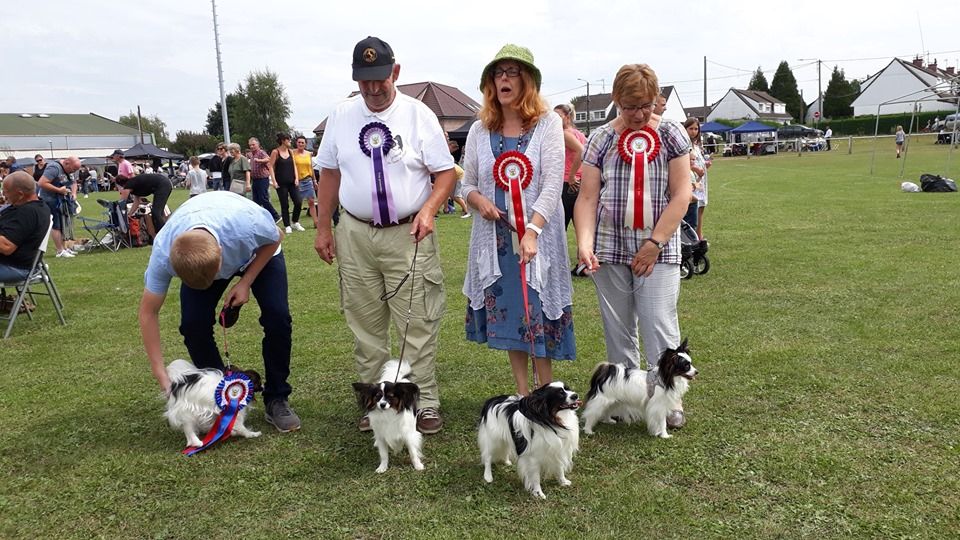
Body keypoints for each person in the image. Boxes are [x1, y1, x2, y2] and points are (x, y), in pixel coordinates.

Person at [314, 35, 456, 434]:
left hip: (408, 232)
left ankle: (423, 401)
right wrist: (324, 228)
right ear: (355, 78)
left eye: (381, 79)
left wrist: (429, 210)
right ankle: (374, 403)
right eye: (365, 82)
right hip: (356, 234)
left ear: (396, 72)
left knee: (417, 321)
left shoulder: (419, 114)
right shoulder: (341, 116)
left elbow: (444, 173)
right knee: (365, 325)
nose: (374, 89)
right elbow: (329, 173)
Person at [573, 64, 693, 428]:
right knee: (618, 328)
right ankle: (626, 403)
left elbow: (682, 192)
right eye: (629, 106)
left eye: (645, 105)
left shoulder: (672, 134)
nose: (638, 114)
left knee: (659, 323)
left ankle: (670, 404)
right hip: (610, 246)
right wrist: (584, 243)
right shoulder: (600, 139)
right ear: (616, 101)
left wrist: (655, 242)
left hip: (659, 247)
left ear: (657, 99)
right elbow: (587, 197)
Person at [461, 44, 576, 396]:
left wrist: (533, 230)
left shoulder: (548, 124)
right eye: (498, 73)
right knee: (511, 312)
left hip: (536, 238)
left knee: (538, 311)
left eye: (512, 72)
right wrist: (478, 200)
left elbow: (553, 183)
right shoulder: (480, 129)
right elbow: (467, 183)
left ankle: (547, 391)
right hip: (495, 241)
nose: (504, 79)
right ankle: (524, 395)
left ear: (527, 81)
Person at [138, 191, 300, 432]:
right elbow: (148, 313)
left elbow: (275, 237)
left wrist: (245, 282)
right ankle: (221, 393)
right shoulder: (163, 253)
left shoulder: (248, 225)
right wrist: (160, 372)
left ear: (221, 254)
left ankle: (277, 398)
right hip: (209, 247)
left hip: (258, 250)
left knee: (277, 318)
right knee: (193, 325)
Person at [0, 172, 52, 282]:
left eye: (6, 192)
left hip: (14, 267)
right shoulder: (40, 206)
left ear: (20, 194)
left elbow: (6, 247)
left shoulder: (27, 212)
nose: (4, 195)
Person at [37, 156, 81, 258]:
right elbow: (42, 183)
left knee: (64, 223)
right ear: (66, 163)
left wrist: (74, 193)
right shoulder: (54, 168)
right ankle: (60, 250)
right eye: (73, 169)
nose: (73, 171)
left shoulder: (71, 169)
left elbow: (74, 182)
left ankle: (65, 248)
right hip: (51, 199)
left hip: (64, 199)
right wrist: (59, 190)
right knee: (56, 224)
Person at [553, 103, 586, 232]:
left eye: (558, 116)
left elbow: (581, 151)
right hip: (579, 183)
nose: (554, 119)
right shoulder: (579, 134)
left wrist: (572, 175)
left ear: (567, 117)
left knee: (560, 227)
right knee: (580, 228)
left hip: (568, 183)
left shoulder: (564, 134)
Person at [269, 133, 304, 234]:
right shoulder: (275, 152)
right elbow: (270, 166)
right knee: (284, 204)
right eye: (288, 140)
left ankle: (295, 221)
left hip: (292, 181)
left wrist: (297, 178)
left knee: (298, 202)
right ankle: (287, 225)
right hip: (281, 182)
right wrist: (274, 181)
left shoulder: (290, 152)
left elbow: (294, 165)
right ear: (283, 141)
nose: (290, 142)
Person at [118, 173, 173, 237]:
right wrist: (129, 214)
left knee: (156, 212)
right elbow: (137, 202)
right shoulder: (134, 185)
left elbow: (121, 202)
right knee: (158, 212)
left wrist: (121, 213)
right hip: (163, 184)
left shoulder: (128, 185)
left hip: (163, 185)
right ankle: (161, 233)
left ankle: (165, 234)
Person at [246, 138, 280, 221]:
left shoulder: (261, 152)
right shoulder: (251, 154)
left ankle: (275, 216)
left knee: (263, 198)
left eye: (253, 144)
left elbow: (268, 159)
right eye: (250, 145)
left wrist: (259, 160)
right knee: (256, 200)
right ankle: (258, 218)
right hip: (255, 180)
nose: (252, 146)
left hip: (262, 179)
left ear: (258, 144)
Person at [682, 117, 706, 231]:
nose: (694, 131)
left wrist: (705, 165)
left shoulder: (696, 145)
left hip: (699, 180)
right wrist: (695, 169)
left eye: (696, 129)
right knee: (690, 212)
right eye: (691, 128)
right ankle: (692, 237)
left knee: (700, 207)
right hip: (689, 181)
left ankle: (698, 235)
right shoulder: (684, 144)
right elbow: (683, 163)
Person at [292, 136, 319, 228]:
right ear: (296, 143)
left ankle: (316, 222)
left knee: (311, 201)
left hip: (308, 180)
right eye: (299, 142)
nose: (300, 144)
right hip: (297, 181)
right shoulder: (292, 153)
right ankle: (295, 221)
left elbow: (311, 167)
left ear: (305, 144)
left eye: (302, 142)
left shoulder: (308, 154)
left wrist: (314, 180)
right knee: (298, 202)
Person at [446, 138, 471, 218]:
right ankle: (467, 209)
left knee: (456, 196)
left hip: (460, 175)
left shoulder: (447, 157)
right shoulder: (447, 156)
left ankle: (467, 211)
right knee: (452, 195)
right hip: (457, 175)